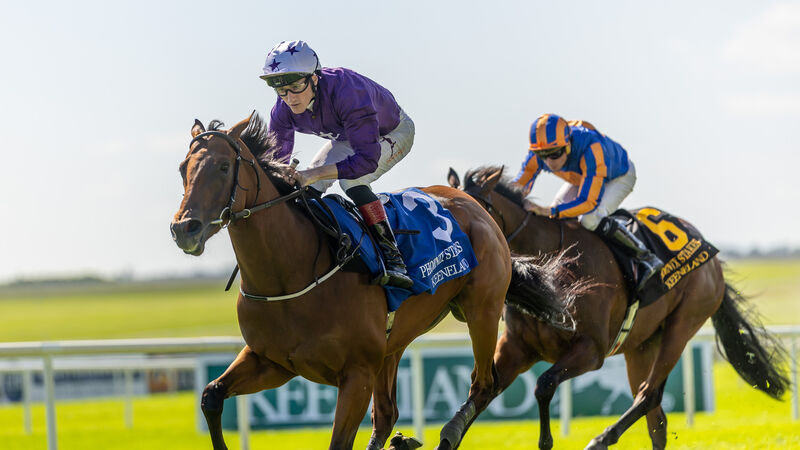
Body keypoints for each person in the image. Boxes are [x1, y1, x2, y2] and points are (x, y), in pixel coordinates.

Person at [260, 40, 414, 289]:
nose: (290, 98)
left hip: (393, 132)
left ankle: (394, 258)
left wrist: (314, 173)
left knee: (351, 181)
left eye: (296, 87)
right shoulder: (281, 110)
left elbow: (366, 160)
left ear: (314, 78)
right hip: (349, 137)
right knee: (306, 187)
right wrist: (282, 175)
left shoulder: (348, 91)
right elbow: (275, 164)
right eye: (281, 90)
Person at [512, 113, 662, 292]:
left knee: (589, 219)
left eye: (554, 154)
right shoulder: (541, 150)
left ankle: (644, 256)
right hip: (584, 175)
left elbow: (588, 202)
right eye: (542, 155)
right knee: (555, 218)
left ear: (568, 145)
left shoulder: (591, 149)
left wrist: (548, 210)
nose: (549, 162)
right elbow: (518, 187)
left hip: (619, 176)